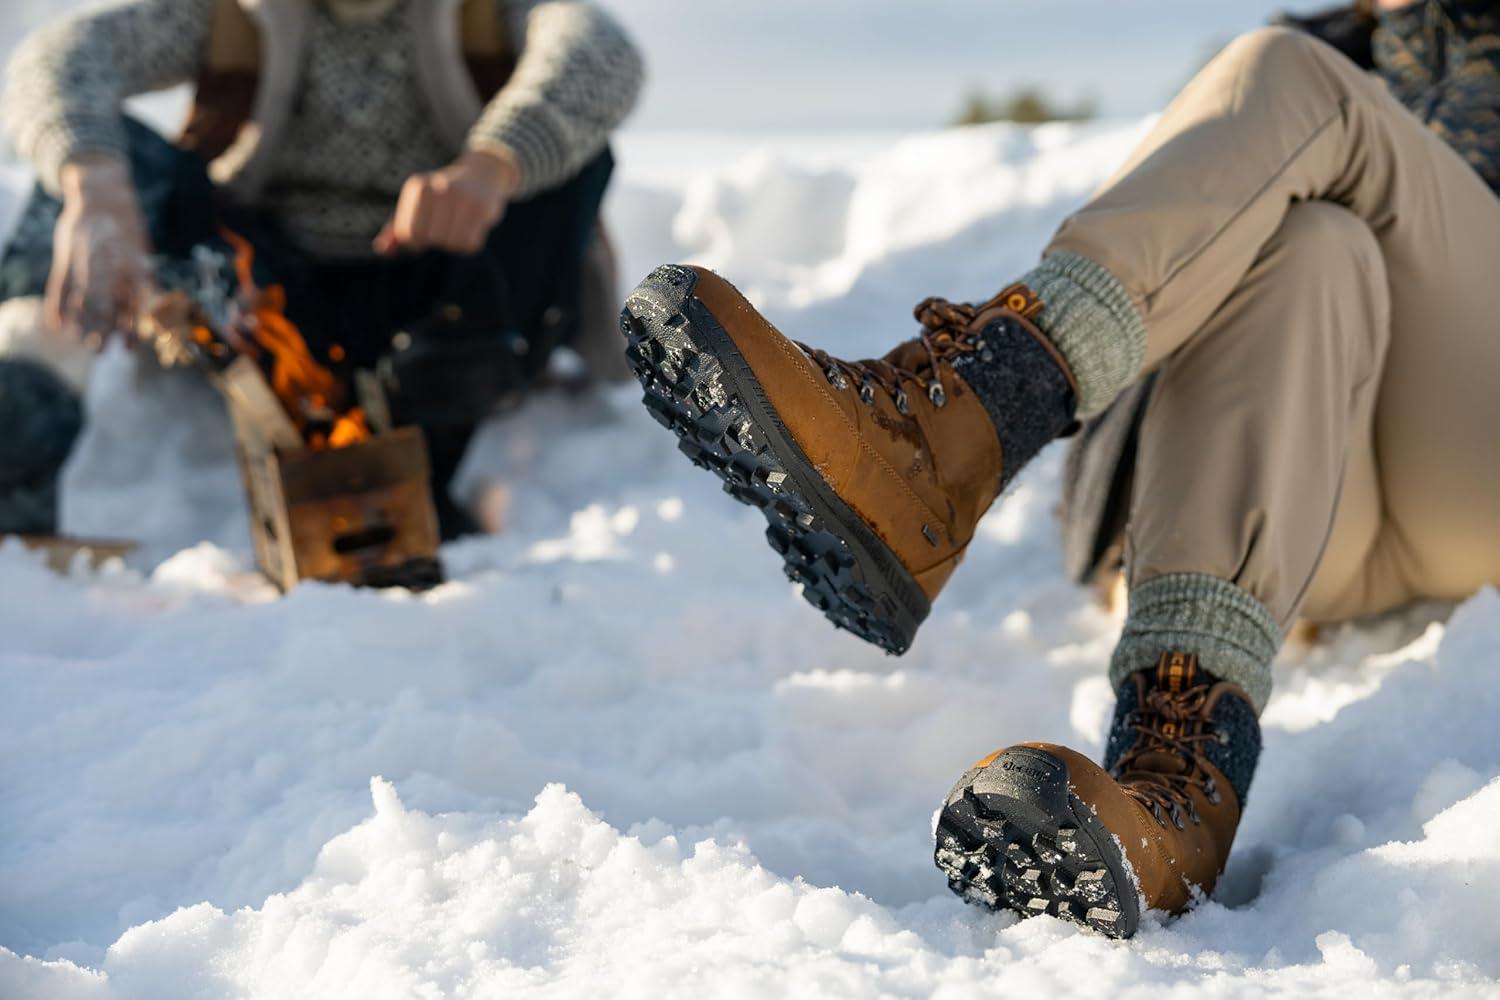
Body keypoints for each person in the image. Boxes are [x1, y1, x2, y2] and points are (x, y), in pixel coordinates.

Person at [619, 0, 1499, 938]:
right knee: (1312, 244)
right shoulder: (1341, 47)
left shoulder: (1315, 82)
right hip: (1320, 511)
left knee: (1288, 82)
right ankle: (1177, 788)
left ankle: (961, 423)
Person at [0, 0, 643, 540]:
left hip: (446, 297)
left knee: (571, 163)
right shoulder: (231, 11)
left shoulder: (488, 9)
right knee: (94, 151)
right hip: (265, 296)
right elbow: (58, 54)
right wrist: (96, 185)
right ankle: (18, 443)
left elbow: (597, 52)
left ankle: (423, 453)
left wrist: (490, 166)